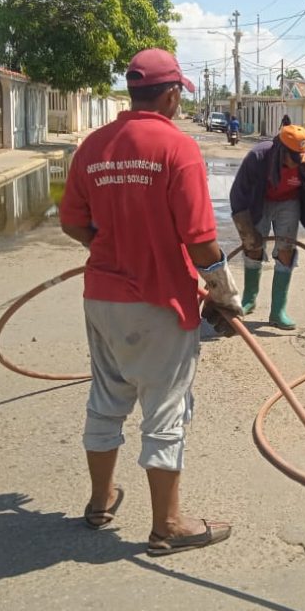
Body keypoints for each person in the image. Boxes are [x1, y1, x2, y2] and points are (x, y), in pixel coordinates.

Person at [59, 48, 243, 557]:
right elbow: (201, 242)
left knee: (106, 400)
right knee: (166, 410)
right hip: (160, 301)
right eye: (179, 94)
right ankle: (168, 526)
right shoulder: (176, 147)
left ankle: (101, 501)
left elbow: (72, 221)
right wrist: (225, 295)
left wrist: (111, 246)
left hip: (102, 298)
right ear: (171, 95)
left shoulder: (93, 146)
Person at [230, 124, 305, 329]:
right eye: (293, 158)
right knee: (253, 247)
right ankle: (249, 299)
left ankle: (278, 311)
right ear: (280, 150)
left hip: (289, 203)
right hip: (259, 202)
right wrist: (247, 231)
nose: (297, 163)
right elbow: (238, 194)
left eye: (300, 158)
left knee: (286, 251)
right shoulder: (258, 157)